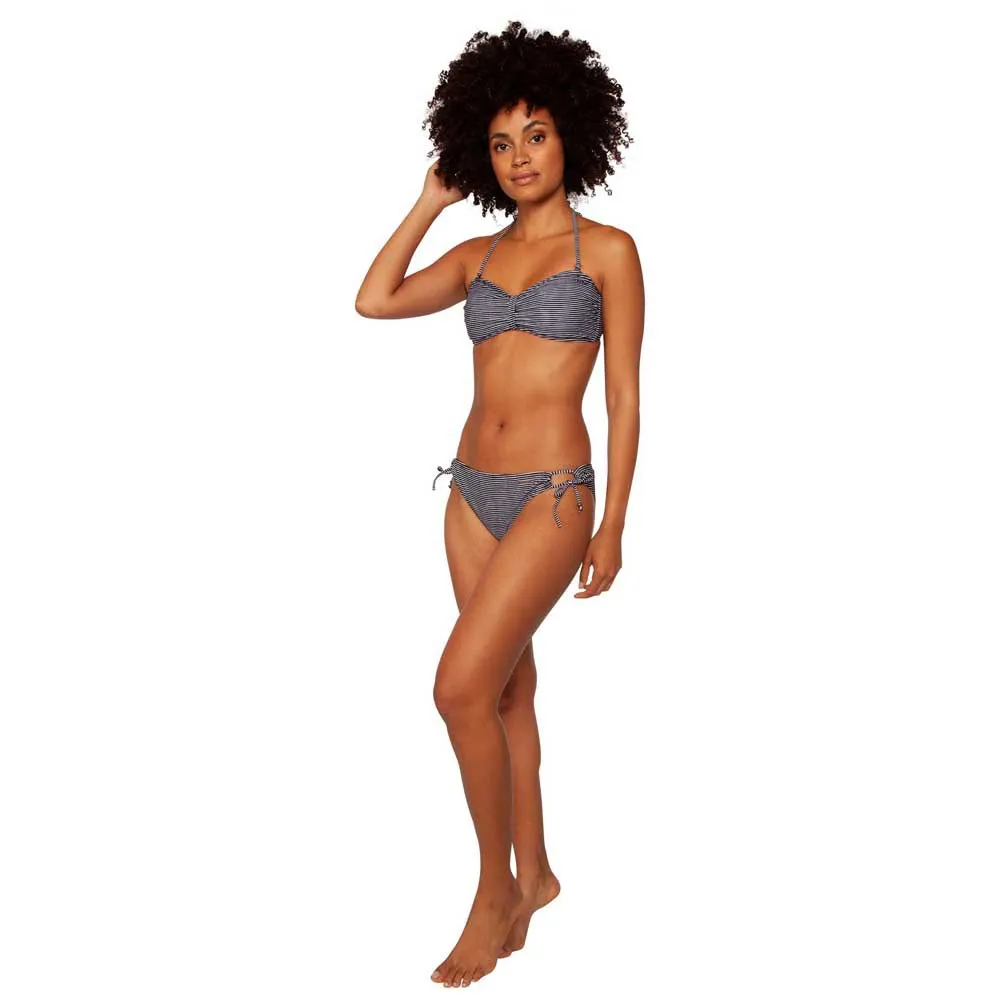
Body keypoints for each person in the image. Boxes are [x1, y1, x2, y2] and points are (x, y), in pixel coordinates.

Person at [355, 21, 644, 988]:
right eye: (500, 142)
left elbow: (624, 395)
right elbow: (375, 300)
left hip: (555, 495)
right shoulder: (476, 255)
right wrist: (429, 202)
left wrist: (615, 522)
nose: (520, 156)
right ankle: (539, 873)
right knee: (507, 692)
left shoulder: (610, 251)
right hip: (471, 493)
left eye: (537, 135)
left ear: (573, 137)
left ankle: (494, 895)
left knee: (458, 690)